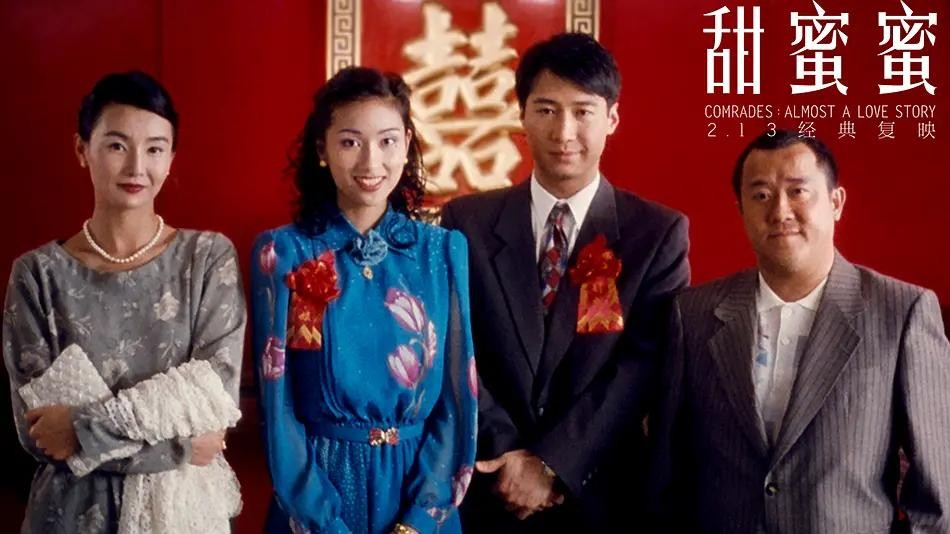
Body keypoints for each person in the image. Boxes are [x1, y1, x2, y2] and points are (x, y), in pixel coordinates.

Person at [440, 32, 690, 531]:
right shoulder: (466, 222)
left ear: (611, 118)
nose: (564, 131)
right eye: (547, 110)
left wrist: (553, 463)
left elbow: (641, 367)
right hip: (490, 487)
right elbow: (453, 345)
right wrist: (508, 454)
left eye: (582, 111)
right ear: (522, 115)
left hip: (600, 496)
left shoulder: (656, 233)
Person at [651, 129, 950, 532]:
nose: (780, 211)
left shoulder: (901, 313)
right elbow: (667, 477)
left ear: (836, 202)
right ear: (740, 209)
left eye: (798, 191)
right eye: (761, 195)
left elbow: (937, 500)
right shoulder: (693, 314)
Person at [2, 71, 245, 533]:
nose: (137, 166)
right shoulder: (37, 275)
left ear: (171, 159)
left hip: (180, 516)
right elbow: (41, 436)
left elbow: (214, 399)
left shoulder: (207, 260)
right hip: (68, 516)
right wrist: (179, 447)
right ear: (82, 149)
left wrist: (80, 428)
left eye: (155, 149)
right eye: (117, 145)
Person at [251, 66, 477, 534]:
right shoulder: (283, 252)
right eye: (351, 142)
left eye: (388, 141)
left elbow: (457, 402)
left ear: (407, 144)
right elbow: (277, 410)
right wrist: (325, 523)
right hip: (318, 497)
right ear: (322, 149)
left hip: (420, 495)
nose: (371, 162)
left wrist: (420, 520)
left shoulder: (442, 251)